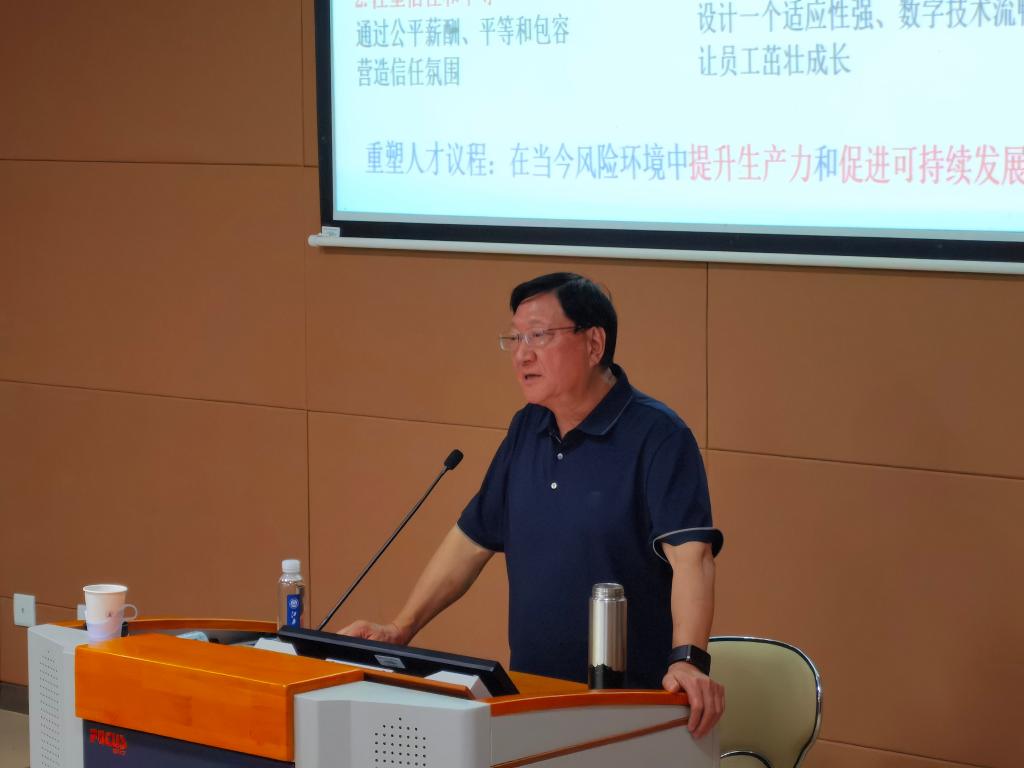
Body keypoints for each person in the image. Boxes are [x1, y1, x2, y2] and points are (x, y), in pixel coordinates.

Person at [341, 272, 724, 738]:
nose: (522, 354)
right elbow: (472, 540)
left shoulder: (659, 436)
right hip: (532, 699)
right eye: (515, 338)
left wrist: (688, 659)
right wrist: (401, 628)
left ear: (594, 344)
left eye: (539, 336)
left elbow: (692, 557)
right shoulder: (528, 427)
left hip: (628, 709)